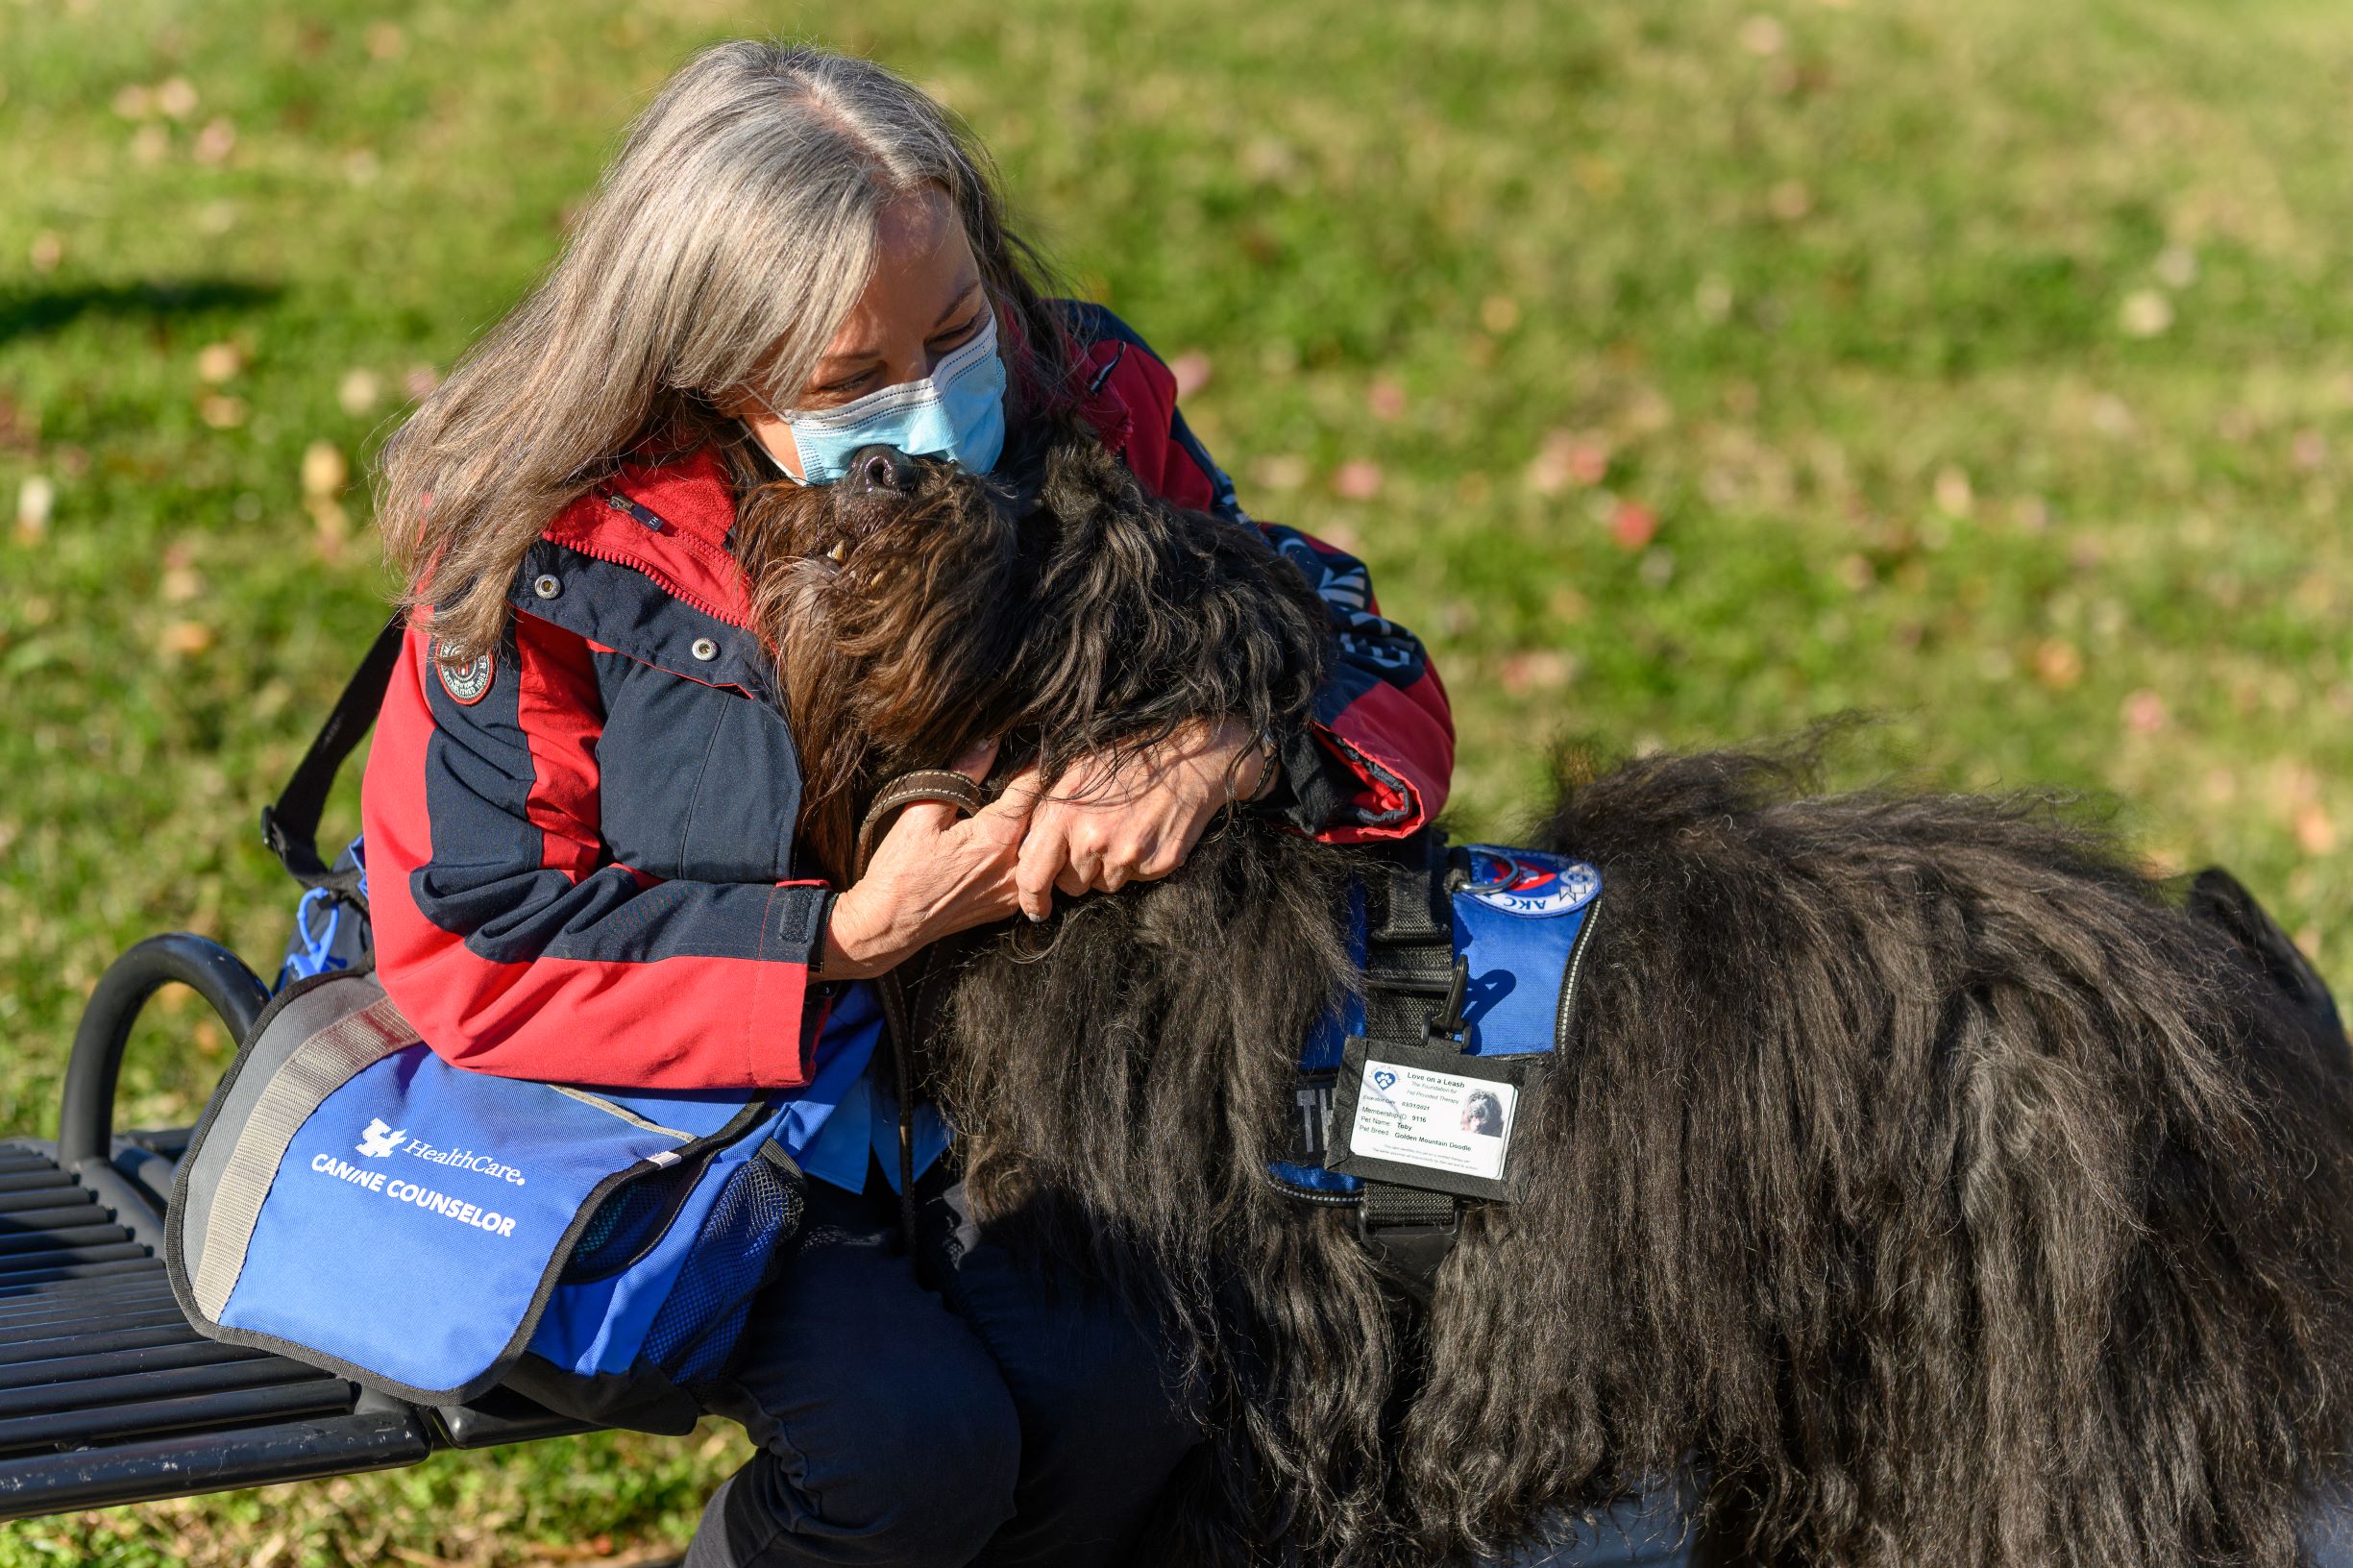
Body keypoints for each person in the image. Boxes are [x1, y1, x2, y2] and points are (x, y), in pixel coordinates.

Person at [357, 39, 1454, 1568]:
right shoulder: (548, 555)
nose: (933, 412)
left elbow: (1336, 639)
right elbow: (475, 941)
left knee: (1139, 1397)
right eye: (849, 381)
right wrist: (841, 937)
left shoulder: (1087, 396)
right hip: (702, 1126)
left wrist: (1226, 745)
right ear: (699, 364)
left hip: (1017, 1094)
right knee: (906, 1455)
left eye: (955, 334)